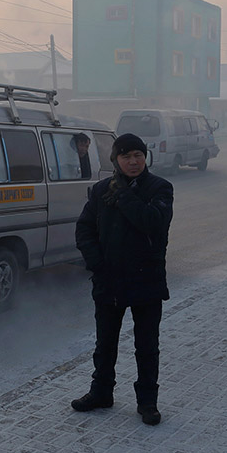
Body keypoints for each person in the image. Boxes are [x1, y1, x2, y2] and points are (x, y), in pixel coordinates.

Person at [72, 133, 174, 425]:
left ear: (145, 157)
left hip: (147, 281)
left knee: (146, 345)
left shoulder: (160, 188)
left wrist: (125, 195)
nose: (133, 161)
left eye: (138, 155)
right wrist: (97, 264)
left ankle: (148, 402)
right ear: (115, 160)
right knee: (105, 344)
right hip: (110, 280)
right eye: (126, 156)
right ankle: (101, 392)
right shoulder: (102, 190)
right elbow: (84, 229)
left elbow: (152, 222)